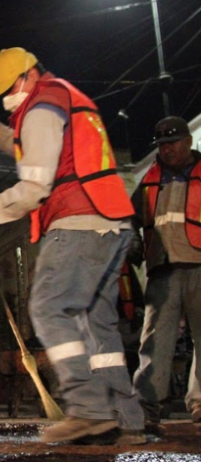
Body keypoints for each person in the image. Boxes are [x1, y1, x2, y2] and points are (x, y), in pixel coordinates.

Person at [0, 47, 145, 444]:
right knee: (99, 329)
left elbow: (35, 186)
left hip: (78, 220)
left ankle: (89, 411)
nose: (7, 96)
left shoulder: (41, 108)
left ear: (28, 76)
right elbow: (33, 149)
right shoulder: (63, 99)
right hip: (110, 222)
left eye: (9, 87)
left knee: (49, 307)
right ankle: (128, 422)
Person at [129, 116, 201, 426]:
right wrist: (132, 246)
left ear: (188, 141)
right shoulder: (148, 179)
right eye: (161, 145)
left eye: (172, 143)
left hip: (199, 265)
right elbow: (130, 221)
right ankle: (147, 407)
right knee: (154, 342)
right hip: (162, 269)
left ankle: (199, 404)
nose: (166, 150)